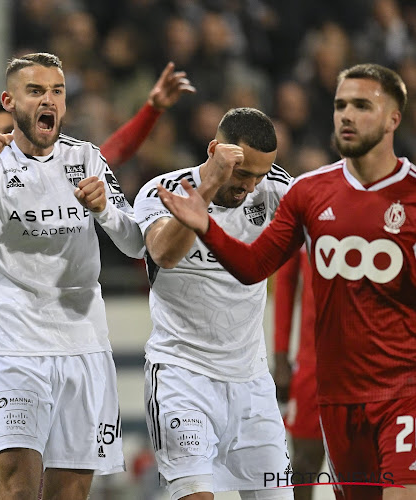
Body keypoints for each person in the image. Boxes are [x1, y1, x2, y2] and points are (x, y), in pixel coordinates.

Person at [0, 61, 195, 500]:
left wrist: (106, 211)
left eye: (57, 90)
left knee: (70, 493)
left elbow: (135, 244)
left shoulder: (86, 158)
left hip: (83, 347)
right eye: (35, 90)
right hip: (16, 348)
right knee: (16, 488)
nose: (48, 99)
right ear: (10, 102)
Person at [157, 63, 416, 500]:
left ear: (393, 118)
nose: (347, 115)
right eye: (340, 105)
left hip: (402, 392)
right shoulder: (309, 193)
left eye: (362, 105)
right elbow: (255, 266)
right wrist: (207, 227)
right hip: (336, 397)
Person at [133, 107, 294, 500]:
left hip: (253, 385)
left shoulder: (276, 189)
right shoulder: (162, 189)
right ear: (214, 151)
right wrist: (206, 192)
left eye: (260, 174)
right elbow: (162, 254)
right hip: (182, 379)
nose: (252, 187)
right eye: (242, 174)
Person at [273, 247, 325, 500]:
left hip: (368, 364)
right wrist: (280, 357)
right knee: (303, 465)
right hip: (312, 363)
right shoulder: (304, 208)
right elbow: (285, 279)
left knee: (365, 469)